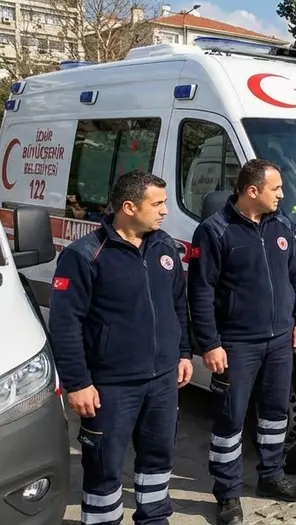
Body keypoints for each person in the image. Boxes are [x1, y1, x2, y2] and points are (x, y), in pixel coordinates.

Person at [49, 171, 192, 525]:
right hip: (110, 387)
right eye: (157, 204)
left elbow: (178, 305)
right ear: (129, 207)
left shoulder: (165, 247)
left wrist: (184, 353)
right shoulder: (84, 255)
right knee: (104, 468)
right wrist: (78, 383)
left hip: (162, 382)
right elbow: (65, 325)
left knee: (158, 461)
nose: (165, 211)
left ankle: (154, 519)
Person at [189, 159, 296, 525]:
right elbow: (200, 292)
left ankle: (271, 476)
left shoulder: (282, 224)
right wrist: (210, 344)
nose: (282, 195)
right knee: (230, 420)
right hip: (236, 345)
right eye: (276, 188)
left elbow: (295, 275)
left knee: (274, 414)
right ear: (252, 191)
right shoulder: (214, 231)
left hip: (279, 341)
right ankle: (227, 493)